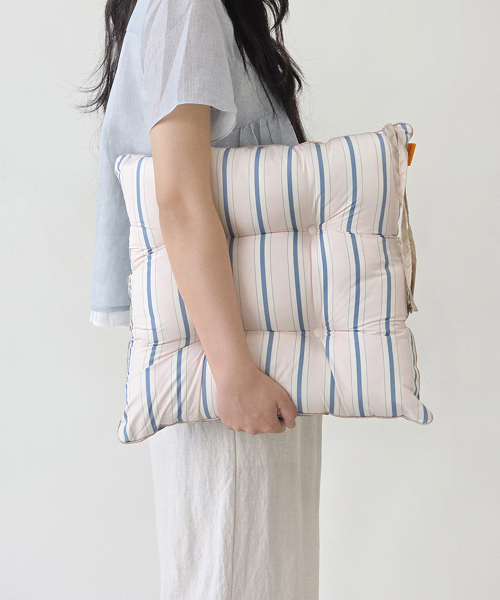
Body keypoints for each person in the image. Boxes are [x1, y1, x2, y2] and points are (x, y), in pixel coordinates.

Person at [79, 0, 323, 598]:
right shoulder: (185, 8)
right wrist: (234, 374)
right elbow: (181, 200)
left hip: (251, 368)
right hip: (229, 376)